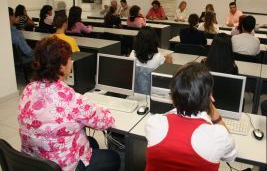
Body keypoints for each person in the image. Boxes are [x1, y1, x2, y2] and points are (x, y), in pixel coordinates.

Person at [18, 37, 121, 171]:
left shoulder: (28, 89)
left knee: (92, 142)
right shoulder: (72, 99)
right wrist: (103, 109)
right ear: (61, 66)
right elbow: (106, 122)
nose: (71, 62)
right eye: (69, 59)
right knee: (114, 157)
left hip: (33, 162)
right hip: (64, 167)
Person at [145, 62, 237, 170]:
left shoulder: (154, 123)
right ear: (209, 97)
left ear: (172, 95)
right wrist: (214, 114)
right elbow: (231, 157)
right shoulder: (219, 135)